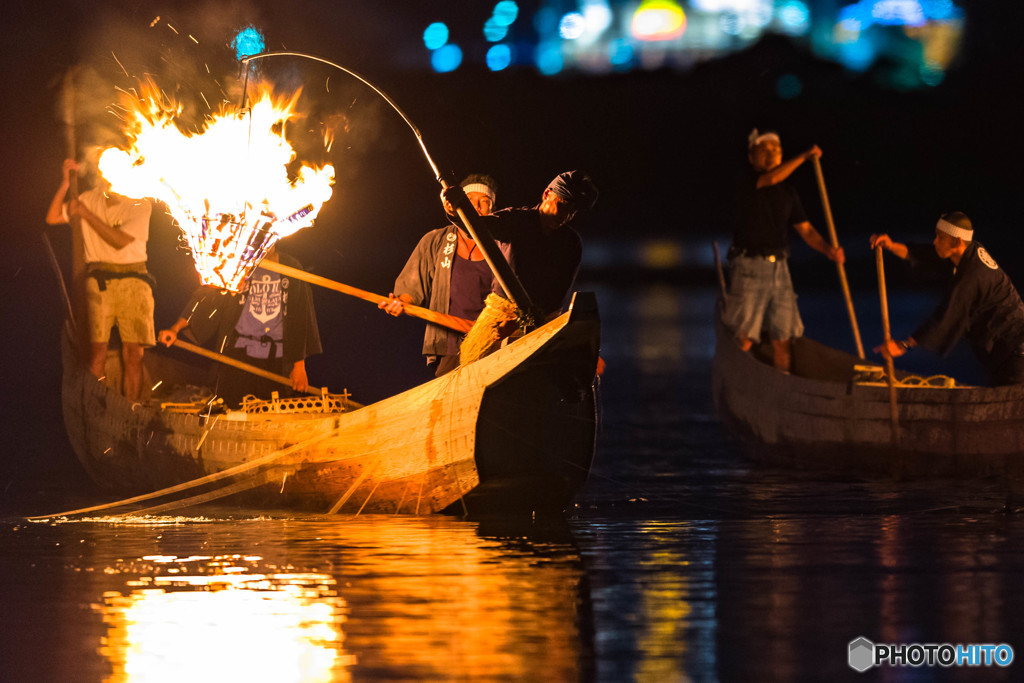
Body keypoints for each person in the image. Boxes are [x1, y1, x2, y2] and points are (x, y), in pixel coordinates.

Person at [723, 129, 845, 373]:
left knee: (783, 337)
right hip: (749, 265)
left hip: (780, 268)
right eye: (764, 151)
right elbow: (770, 179)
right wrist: (804, 157)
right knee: (745, 337)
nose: (770, 155)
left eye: (776, 151)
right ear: (751, 157)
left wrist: (829, 251)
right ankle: (738, 380)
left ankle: (782, 384)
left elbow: (807, 230)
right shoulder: (747, 181)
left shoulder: (788, 193)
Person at [45, 158, 155, 401]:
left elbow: (119, 241)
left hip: (134, 281)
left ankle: (132, 408)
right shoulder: (88, 198)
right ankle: (96, 405)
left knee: (134, 354)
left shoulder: (140, 204)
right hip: (98, 282)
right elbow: (52, 217)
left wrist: (86, 215)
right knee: (96, 352)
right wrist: (65, 183)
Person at [871, 212, 1024, 386]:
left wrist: (904, 345)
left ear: (956, 241)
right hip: (1006, 350)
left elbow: (948, 315)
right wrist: (891, 246)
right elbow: (927, 255)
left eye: (940, 237)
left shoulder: (972, 275)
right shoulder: (967, 251)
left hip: (1015, 351)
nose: (935, 241)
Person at [158, 246, 322, 405]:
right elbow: (206, 298)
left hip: (275, 358)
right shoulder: (237, 265)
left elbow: (300, 316)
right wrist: (175, 329)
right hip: (237, 353)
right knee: (230, 407)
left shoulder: (291, 267)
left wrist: (299, 366)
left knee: (271, 413)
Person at [379, 174, 499, 376]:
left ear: (493, 209)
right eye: (470, 202)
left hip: (493, 342)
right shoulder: (436, 241)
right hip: (450, 346)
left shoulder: (502, 245)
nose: (476, 207)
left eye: (484, 202)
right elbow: (413, 286)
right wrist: (401, 301)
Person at [443, 170, 598, 324]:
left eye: (572, 211)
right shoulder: (515, 220)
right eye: (562, 206)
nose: (565, 216)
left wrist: (542, 321)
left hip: (542, 325)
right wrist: (455, 210)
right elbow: (476, 227)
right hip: (501, 317)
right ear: (546, 194)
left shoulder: (571, 242)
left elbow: (560, 293)